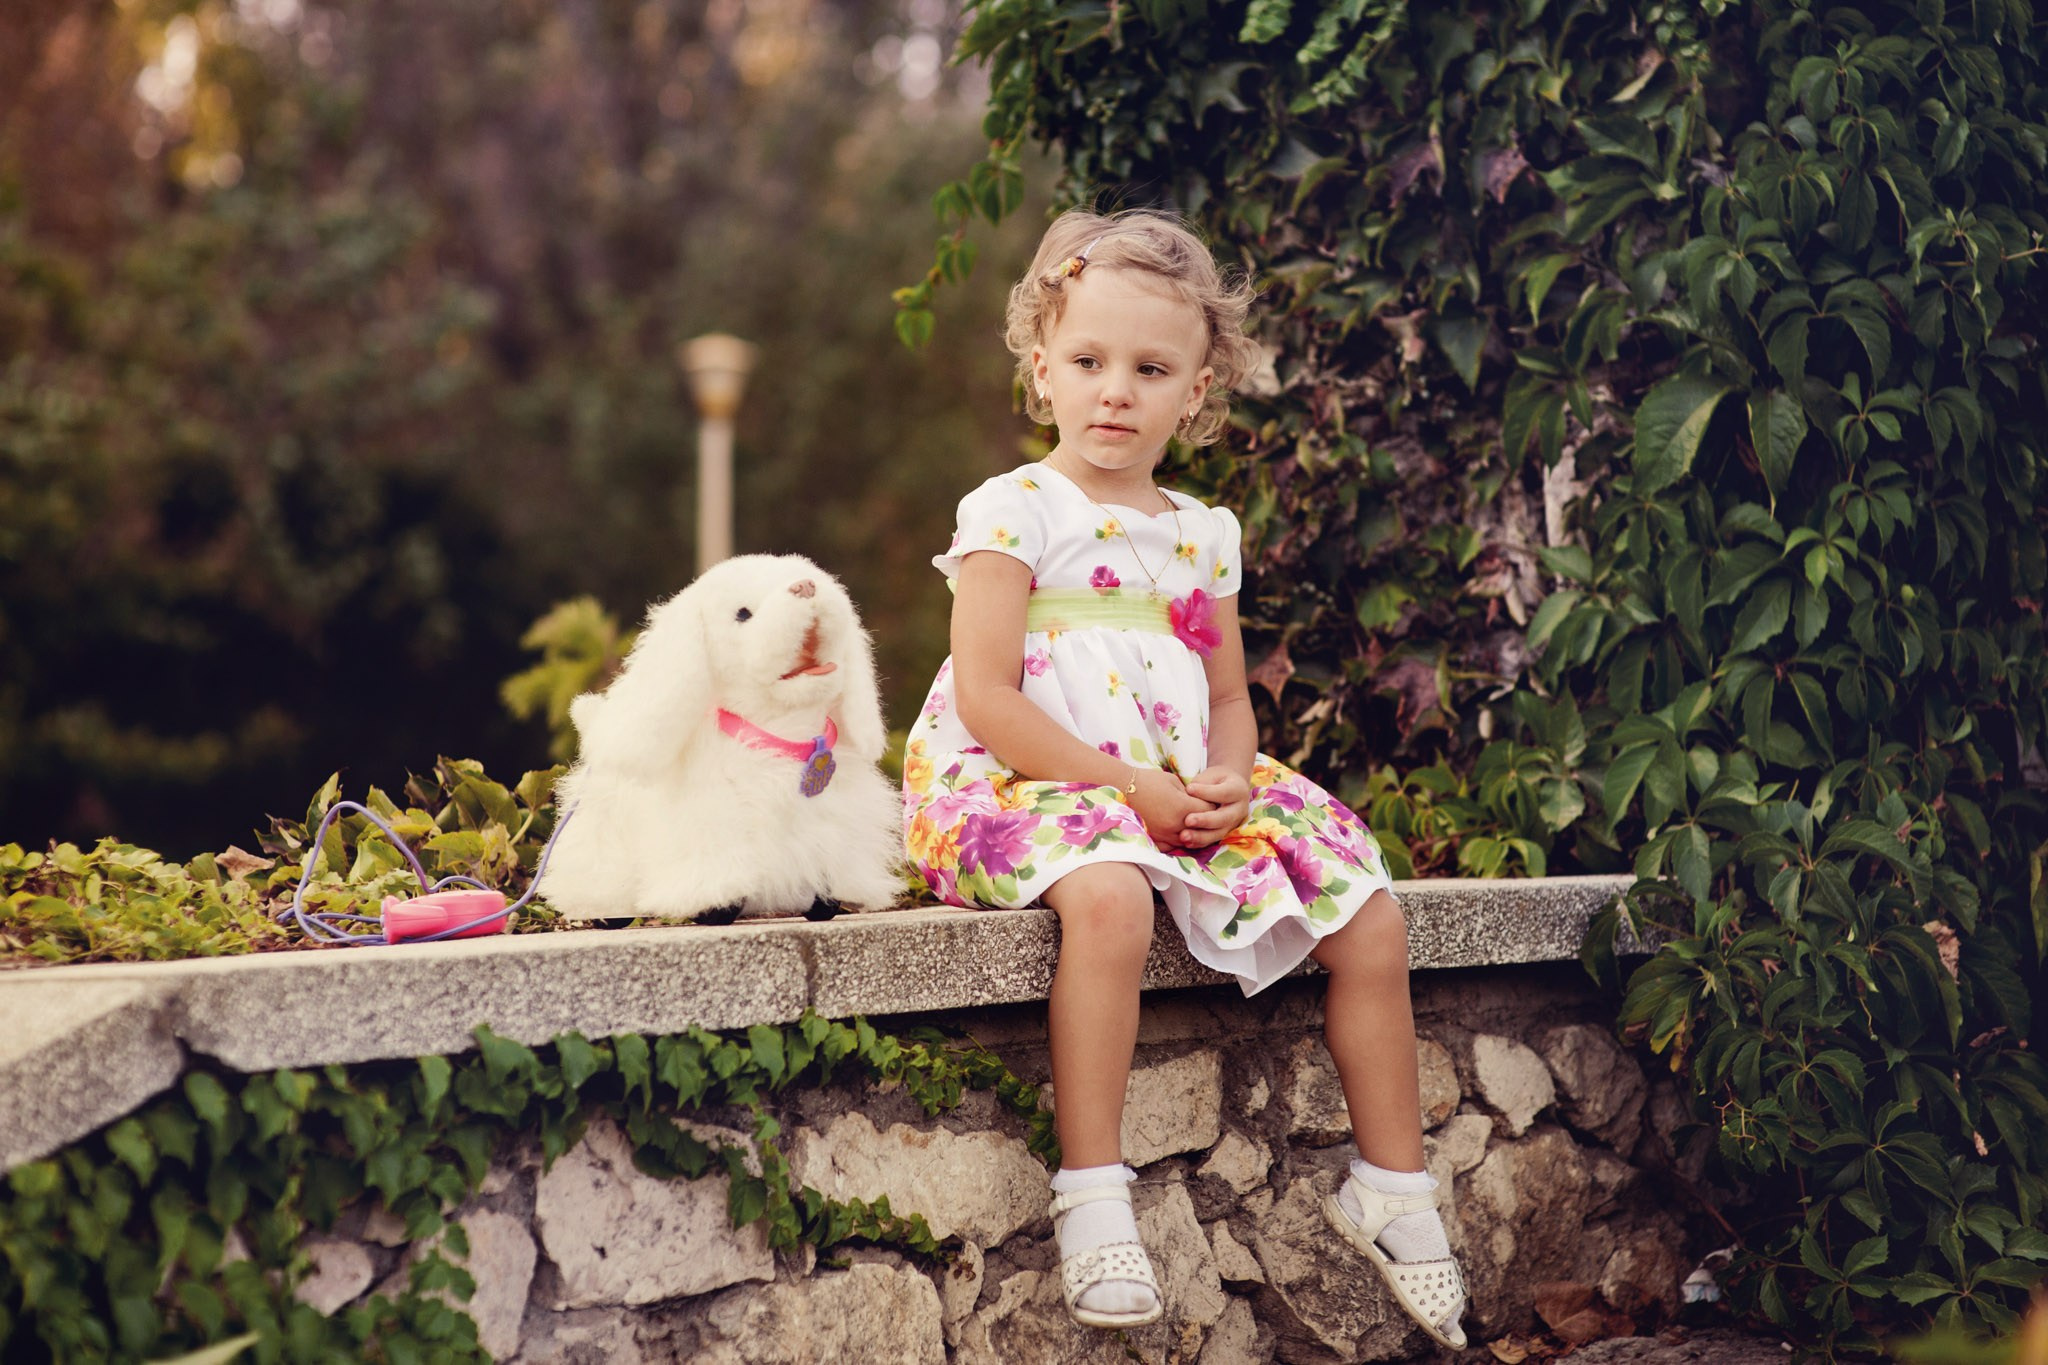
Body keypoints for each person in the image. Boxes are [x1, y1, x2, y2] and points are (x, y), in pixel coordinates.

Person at [900, 208, 1468, 1347]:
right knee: (1110, 901)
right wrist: (1123, 788)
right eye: (1087, 361)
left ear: (1196, 391)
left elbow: (1225, 697)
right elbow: (989, 698)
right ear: (1041, 368)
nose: (1115, 392)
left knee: (1366, 910)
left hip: (1169, 784)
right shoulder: (1013, 511)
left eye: (1149, 370)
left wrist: (1227, 779)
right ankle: (1092, 1194)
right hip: (1019, 781)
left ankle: (1394, 1188)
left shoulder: (1202, 535)